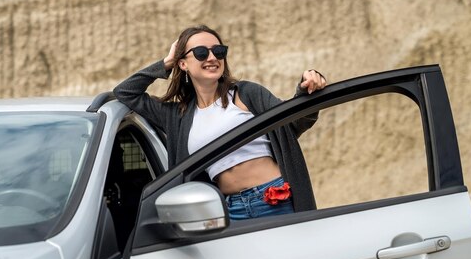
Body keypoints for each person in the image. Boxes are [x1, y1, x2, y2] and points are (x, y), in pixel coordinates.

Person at [113, 25, 327, 220]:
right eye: (201, 52)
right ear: (183, 64)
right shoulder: (177, 115)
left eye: (219, 51)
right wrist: (167, 63)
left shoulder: (246, 93)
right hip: (230, 210)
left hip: (274, 198)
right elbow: (125, 92)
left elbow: (292, 123)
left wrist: (306, 91)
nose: (212, 57)